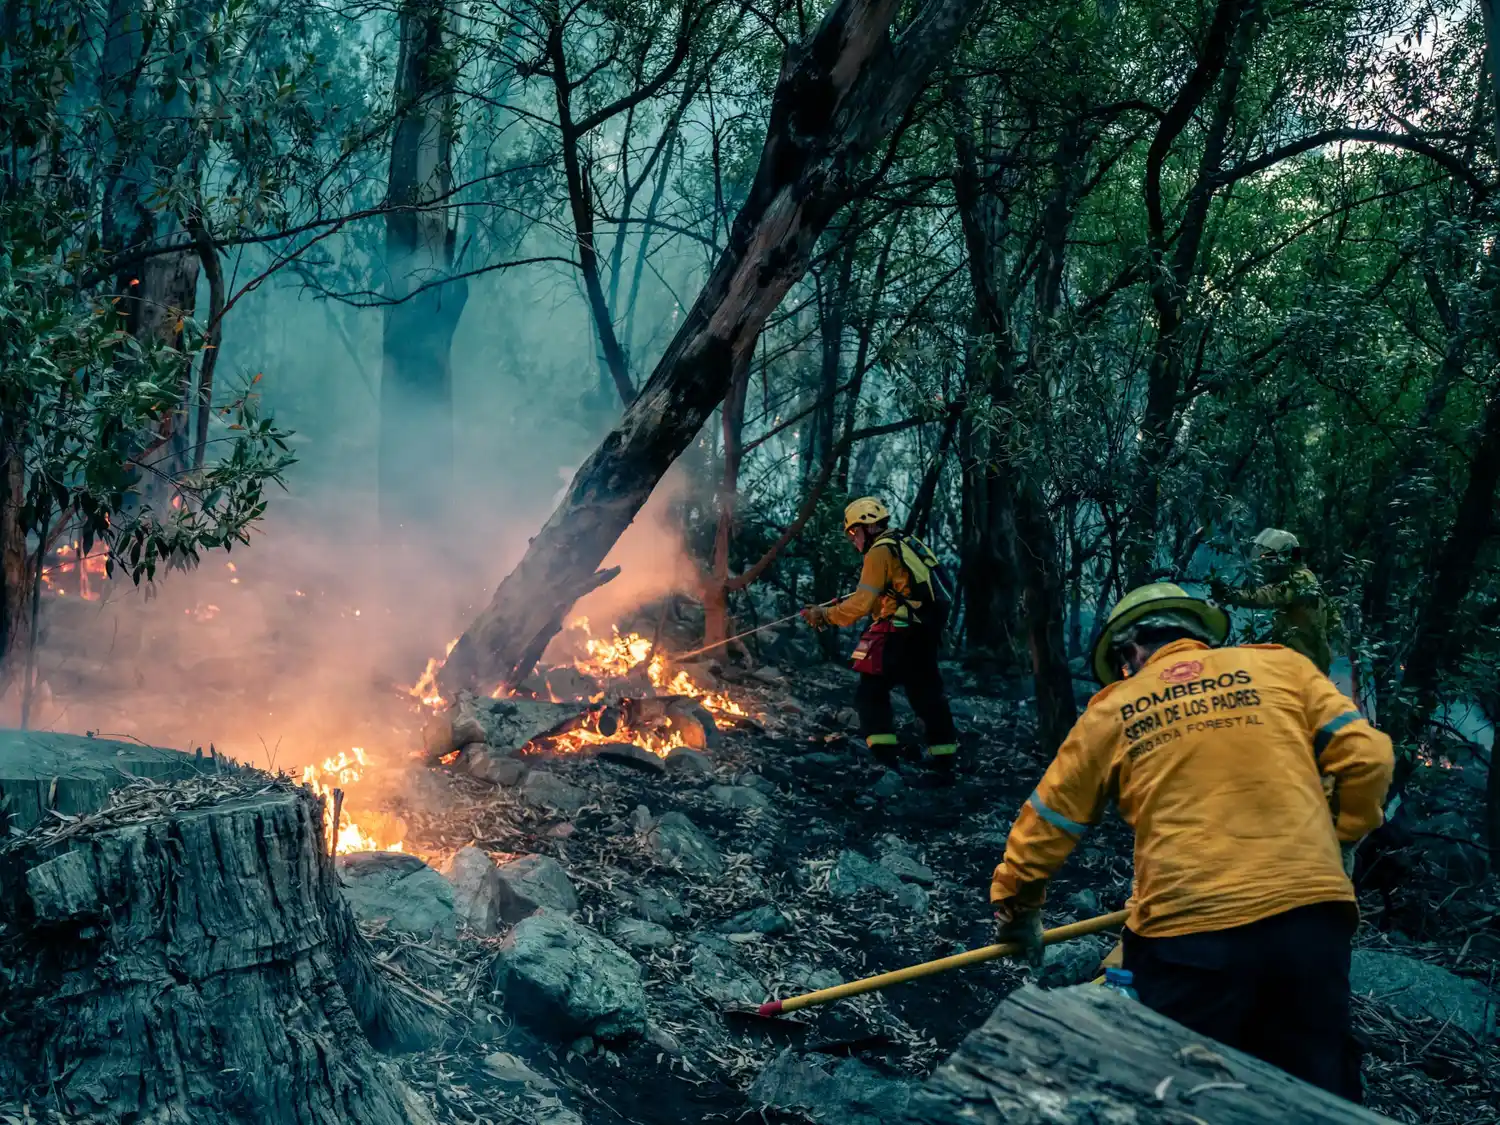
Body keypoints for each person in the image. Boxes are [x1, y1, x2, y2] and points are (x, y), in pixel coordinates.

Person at [987, 582, 1393, 1102]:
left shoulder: (1114, 709)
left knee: (1167, 1090)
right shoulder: (1282, 668)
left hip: (1188, 936)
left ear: (1130, 652)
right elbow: (1369, 758)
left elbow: (1047, 823)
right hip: (1312, 925)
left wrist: (1018, 911)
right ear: (1198, 635)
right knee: (1315, 1095)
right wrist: (1344, 835)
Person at [801, 498, 958, 767]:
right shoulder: (905, 542)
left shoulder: (879, 551)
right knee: (927, 694)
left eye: (853, 532)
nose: (853, 539)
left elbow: (861, 603)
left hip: (899, 634)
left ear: (866, 526)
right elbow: (891, 593)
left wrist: (824, 615)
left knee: (871, 693)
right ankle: (944, 763)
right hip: (925, 630)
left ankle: (886, 760)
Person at [1212, 528, 1340, 674]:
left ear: (1286, 557)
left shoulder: (1301, 580)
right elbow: (1333, 618)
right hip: (1299, 662)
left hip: (1303, 667)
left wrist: (1233, 595)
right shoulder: (1307, 577)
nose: (1265, 563)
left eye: (1270, 558)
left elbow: (1270, 595)